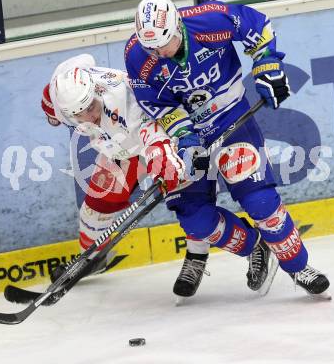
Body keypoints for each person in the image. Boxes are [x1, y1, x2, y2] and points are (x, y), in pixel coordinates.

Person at [124, 0, 330, 297]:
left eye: (163, 44)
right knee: (195, 217)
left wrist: (266, 63)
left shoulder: (209, 20)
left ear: (177, 26)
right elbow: (157, 105)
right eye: (150, 47)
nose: (158, 52)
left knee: (261, 202)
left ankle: (299, 268)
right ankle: (256, 247)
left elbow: (257, 26)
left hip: (229, 118)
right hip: (184, 135)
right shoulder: (137, 56)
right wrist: (187, 138)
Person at [41, 53, 211, 287]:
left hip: (161, 136)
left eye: (92, 106)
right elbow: (60, 89)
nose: (90, 116)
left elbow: (152, 131)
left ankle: (197, 255)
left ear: (95, 92)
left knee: (186, 199)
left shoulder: (125, 102)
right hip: (120, 150)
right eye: (81, 114)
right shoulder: (63, 98)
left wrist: (163, 164)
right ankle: (89, 259)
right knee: (95, 210)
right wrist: (52, 114)